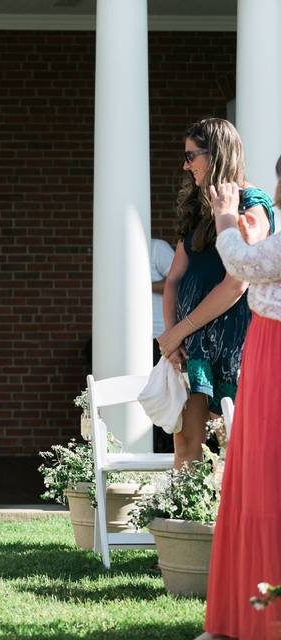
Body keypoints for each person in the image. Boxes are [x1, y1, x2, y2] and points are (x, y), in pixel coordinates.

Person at [157, 118, 273, 470]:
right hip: (191, 346)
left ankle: (229, 522)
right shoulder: (198, 206)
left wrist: (179, 330)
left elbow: (238, 282)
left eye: (192, 156)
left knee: (232, 443)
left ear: (216, 154)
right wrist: (173, 339)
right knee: (185, 440)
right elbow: (175, 278)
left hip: (233, 344)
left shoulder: (253, 204)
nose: (186, 164)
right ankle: (182, 519)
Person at [202, 168, 281, 640]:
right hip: (267, 347)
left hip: (275, 352)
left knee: (263, 472)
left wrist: (226, 219)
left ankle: (260, 619)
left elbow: (243, 266)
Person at [150, 237, 176, 453]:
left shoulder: (156, 247)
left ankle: (165, 453)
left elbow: (177, 280)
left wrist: (143, 285)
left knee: (163, 400)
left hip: (158, 337)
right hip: (127, 342)